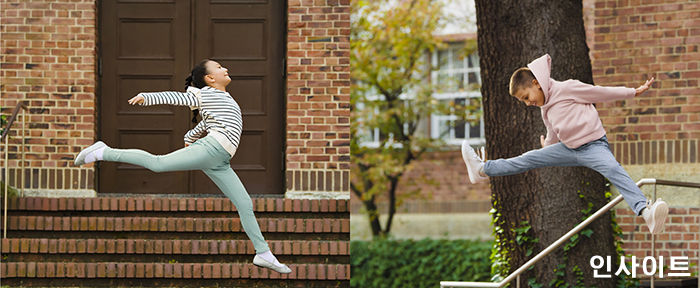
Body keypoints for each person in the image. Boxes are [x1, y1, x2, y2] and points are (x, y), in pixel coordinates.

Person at [74, 59, 292, 273]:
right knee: (157, 163)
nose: (225, 68)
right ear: (209, 78)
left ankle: (263, 253)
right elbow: (176, 97)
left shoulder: (221, 97)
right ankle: (103, 151)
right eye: (219, 67)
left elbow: (208, 121)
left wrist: (190, 135)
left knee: (244, 203)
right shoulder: (203, 93)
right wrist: (147, 97)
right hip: (211, 149)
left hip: (220, 161)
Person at [461, 54, 668, 234]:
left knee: (613, 169)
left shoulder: (568, 88)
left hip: (594, 146)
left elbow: (600, 92)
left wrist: (632, 92)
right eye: (523, 101)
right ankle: (482, 169)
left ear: (536, 83)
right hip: (568, 149)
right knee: (528, 158)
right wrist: (547, 147)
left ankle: (646, 212)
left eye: (526, 97)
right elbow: (552, 132)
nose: (528, 103)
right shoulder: (545, 109)